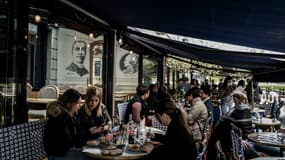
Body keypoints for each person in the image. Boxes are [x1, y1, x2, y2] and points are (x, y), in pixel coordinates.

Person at [207, 91, 260, 160]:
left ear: (235, 99)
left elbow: (221, 122)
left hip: (244, 141)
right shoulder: (247, 109)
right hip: (249, 139)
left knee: (218, 132)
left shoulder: (233, 112)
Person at [44, 88, 86, 159]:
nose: (80, 105)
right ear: (71, 103)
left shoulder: (64, 113)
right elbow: (70, 141)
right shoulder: (63, 116)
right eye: (78, 103)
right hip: (59, 154)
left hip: (57, 152)